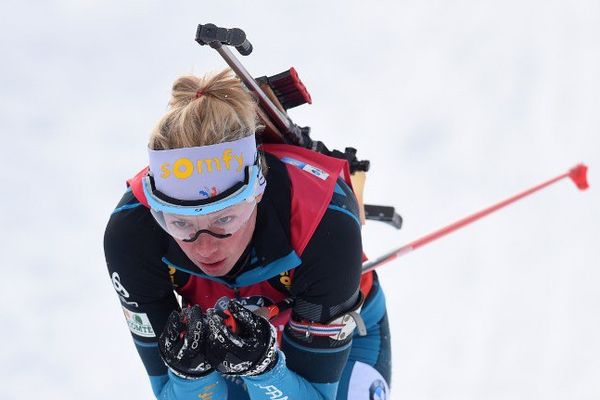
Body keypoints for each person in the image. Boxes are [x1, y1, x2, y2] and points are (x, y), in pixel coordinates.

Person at [104, 69, 391, 400]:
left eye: (225, 218)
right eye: (180, 223)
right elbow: (168, 392)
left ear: (258, 192)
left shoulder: (325, 222)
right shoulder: (132, 234)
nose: (205, 246)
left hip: (341, 326)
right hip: (223, 334)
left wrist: (265, 371)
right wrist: (191, 376)